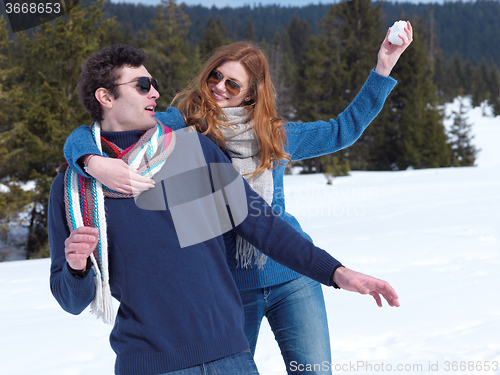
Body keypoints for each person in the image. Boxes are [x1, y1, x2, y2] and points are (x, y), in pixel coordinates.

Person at [62, 23, 411, 375]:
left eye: (232, 83)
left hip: (291, 272)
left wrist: (384, 67)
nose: (219, 86)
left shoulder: (276, 138)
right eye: (216, 75)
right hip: (231, 283)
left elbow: (342, 130)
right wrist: (93, 162)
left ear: (251, 95)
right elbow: (98, 127)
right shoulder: (187, 128)